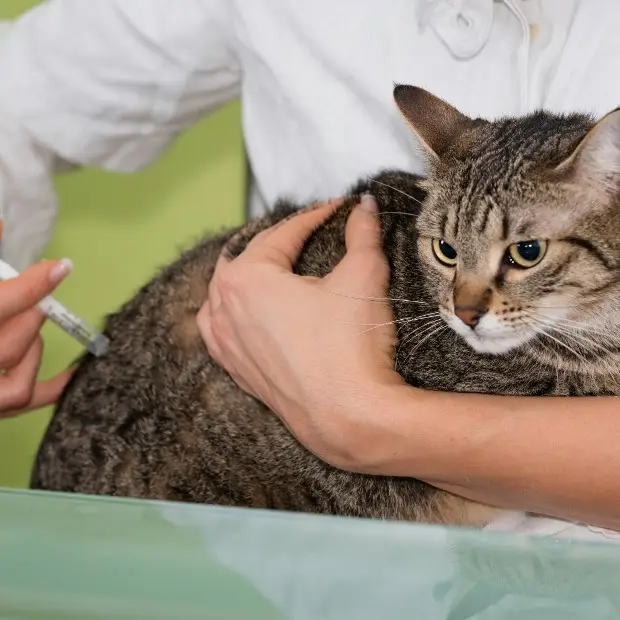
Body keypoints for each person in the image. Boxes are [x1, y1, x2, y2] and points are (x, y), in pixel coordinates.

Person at [1, 0, 620, 534]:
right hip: (255, 543)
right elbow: (18, 97)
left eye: (526, 253)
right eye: (449, 254)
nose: (465, 305)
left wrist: (361, 417)